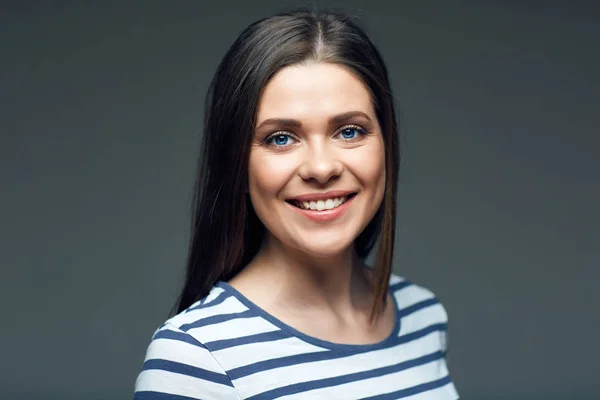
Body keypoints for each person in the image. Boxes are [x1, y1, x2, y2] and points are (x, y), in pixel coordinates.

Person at [133, 8, 459, 400]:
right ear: (236, 162)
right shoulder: (197, 356)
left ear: (386, 143)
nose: (321, 168)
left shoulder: (423, 316)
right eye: (281, 138)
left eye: (350, 131)